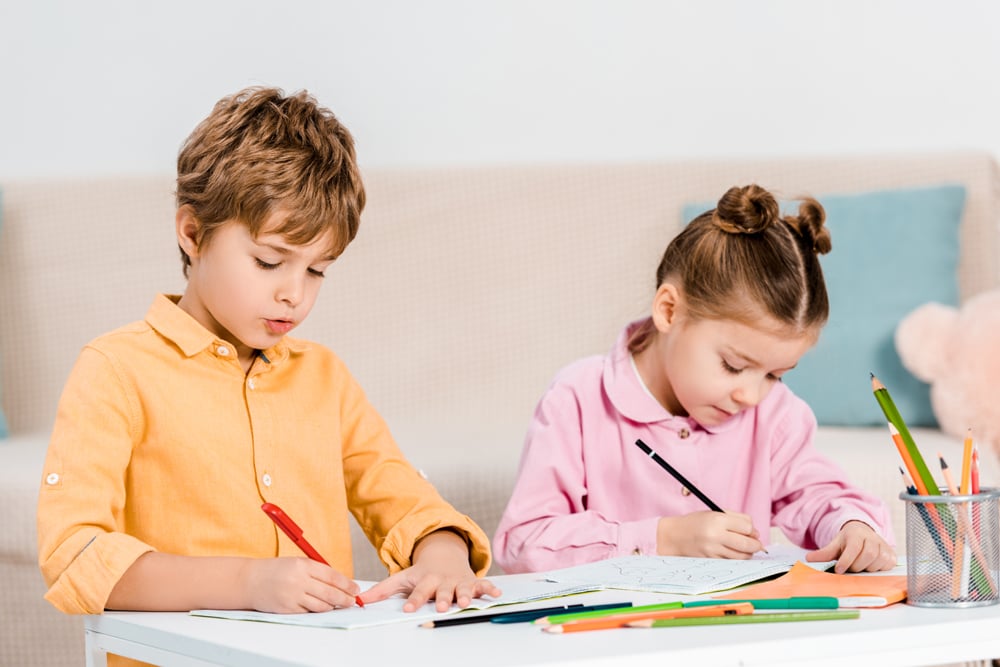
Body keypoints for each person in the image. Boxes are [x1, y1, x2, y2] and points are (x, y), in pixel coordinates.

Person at [37, 87, 500, 633]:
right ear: (192, 233)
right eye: (269, 261)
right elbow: (75, 554)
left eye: (317, 270)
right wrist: (248, 583)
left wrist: (441, 555)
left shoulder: (324, 378)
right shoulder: (116, 370)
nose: (294, 295)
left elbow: (401, 497)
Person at [493, 184, 896, 575]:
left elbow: (817, 494)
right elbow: (524, 543)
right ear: (669, 310)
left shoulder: (776, 415)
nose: (752, 395)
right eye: (734, 366)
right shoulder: (577, 399)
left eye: (774, 375)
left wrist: (852, 527)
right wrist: (662, 538)